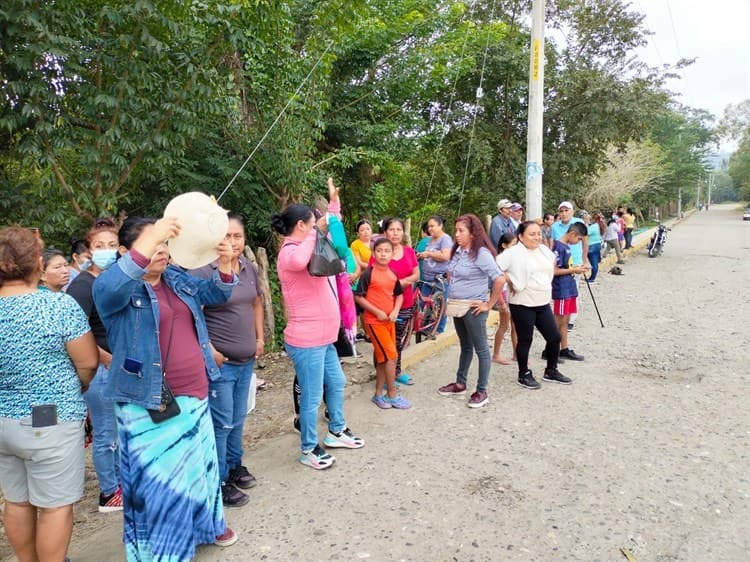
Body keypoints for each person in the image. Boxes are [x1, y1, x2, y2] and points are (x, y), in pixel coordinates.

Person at [93, 216, 240, 559]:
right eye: (152, 243)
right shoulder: (114, 289)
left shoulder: (175, 278)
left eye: (164, 243)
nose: (161, 250)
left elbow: (215, 292)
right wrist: (157, 232)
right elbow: (113, 287)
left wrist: (225, 262)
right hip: (148, 403)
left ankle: (206, 526)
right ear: (128, 252)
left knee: (198, 469)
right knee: (162, 483)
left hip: (196, 391)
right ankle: (167, 551)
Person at [0, 226, 99, 562]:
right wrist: (79, 384)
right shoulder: (58, 306)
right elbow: (87, 363)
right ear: (37, 263)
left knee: (16, 500)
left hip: (4, 422)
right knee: (55, 506)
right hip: (51, 419)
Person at [273, 204, 365, 470]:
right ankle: (309, 448)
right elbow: (301, 260)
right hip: (306, 339)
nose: (316, 227)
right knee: (312, 397)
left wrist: (333, 209)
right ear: (302, 225)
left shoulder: (309, 244)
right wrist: (317, 229)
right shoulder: (289, 252)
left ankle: (336, 431)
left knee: (337, 382)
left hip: (324, 337)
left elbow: (334, 243)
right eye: (312, 223)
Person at [190, 215, 264, 508]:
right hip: (221, 364)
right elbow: (192, 315)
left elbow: (256, 302)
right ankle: (218, 482)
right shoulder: (201, 272)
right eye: (227, 236)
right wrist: (208, 350)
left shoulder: (249, 268)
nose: (233, 242)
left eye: (238, 236)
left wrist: (259, 338)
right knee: (221, 424)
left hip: (246, 360)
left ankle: (234, 466)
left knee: (238, 418)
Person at [66, 217, 123, 513]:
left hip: (120, 366)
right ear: (88, 250)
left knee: (119, 431)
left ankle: (121, 483)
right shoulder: (83, 286)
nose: (106, 249)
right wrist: (106, 359)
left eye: (112, 245)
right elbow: (78, 332)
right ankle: (108, 493)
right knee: (105, 433)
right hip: (100, 369)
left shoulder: (115, 279)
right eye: (100, 245)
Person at [437, 214, 505, 408]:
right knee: (465, 346)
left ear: (473, 233)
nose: (457, 234)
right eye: (456, 230)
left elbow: (499, 279)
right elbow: (451, 272)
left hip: (473, 308)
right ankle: (460, 383)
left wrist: (489, 304)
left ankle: (482, 390)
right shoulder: (458, 252)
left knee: (481, 349)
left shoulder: (481, 253)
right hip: (457, 306)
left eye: (461, 231)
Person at [496, 221, 571, 390]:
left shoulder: (544, 250)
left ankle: (551, 370)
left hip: (542, 301)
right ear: (521, 237)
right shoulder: (513, 253)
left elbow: (550, 269)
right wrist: (510, 280)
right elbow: (495, 268)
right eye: (532, 234)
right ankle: (523, 374)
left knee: (554, 337)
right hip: (522, 302)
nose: (537, 237)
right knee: (525, 339)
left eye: (538, 233)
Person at [353, 238, 409, 409]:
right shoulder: (368, 273)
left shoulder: (392, 273)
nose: (383, 254)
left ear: (392, 254)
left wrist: (395, 311)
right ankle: (392, 394)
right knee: (391, 356)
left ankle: (378, 394)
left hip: (389, 322)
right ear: (374, 253)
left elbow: (399, 294)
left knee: (384, 359)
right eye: (379, 250)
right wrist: (376, 311)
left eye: (387, 251)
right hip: (374, 322)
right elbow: (358, 296)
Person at [378, 217, 419, 385]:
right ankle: (383, 376)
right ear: (385, 232)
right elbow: (374, 277)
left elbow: (417, 274)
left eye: (398, 230)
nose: (395, 233)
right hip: (383, 305)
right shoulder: (380, 251)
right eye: (392, 230)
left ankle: (396, 371)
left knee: (398, 340)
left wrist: (401, 283)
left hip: (405, 303)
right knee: (383, 342)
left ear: (403, 232)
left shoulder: (409, 252)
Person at [549, 223, 589, 362]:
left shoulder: (566, 247)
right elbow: (553, 270)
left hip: (569, 288)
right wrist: (573, 270)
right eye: (578, 239)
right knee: (558, 320)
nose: (577, 242)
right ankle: (549, 349)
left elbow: (566, 266)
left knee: (565, 320)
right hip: (561, 288)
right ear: (572, 234)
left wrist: (575, 268)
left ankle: (564, 348)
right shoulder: (558, 247)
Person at [551, 201, 588, 330]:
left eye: (566, 210)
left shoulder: (578, 224)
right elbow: (552, 244)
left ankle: (570, 319)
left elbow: (584, 241)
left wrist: (584, 259)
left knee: (573, 291)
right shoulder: (555, 227)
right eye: (561, 211)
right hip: (562, 263)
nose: (564, 213)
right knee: (563, 297)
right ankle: (560, 327)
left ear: (572, 211)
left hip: (576, 261)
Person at [416, 215, 452, 334]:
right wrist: (422, 255)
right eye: (428, 226)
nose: (430, 229)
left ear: (440, 225)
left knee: (440, 304)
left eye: (432, 226)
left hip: (439, 278)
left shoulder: (445, 239)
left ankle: (439, 330)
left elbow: (446, 256)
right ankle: (426, 326)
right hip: (427, 278)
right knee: (423, 303)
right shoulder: (430, 240)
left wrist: (429, 254)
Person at [492, 232, 517, 365]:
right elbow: (498, 283)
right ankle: (496, 354)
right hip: (504, 296)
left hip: (513, 296)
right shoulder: (500, 260)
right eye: (513, 244)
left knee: (515, 325)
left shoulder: (514, 259)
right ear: (504, 245)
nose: (516, 247)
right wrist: (501, 301)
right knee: (504, 325)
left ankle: (516, 353)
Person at [585, 212, 605, 283]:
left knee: (593, 263)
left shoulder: (593, 227)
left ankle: (592, 278)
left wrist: (586, 225)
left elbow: (585, 232)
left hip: (591, 246)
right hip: (597, 245)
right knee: (595, 262)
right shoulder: (599, 226)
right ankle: (592, 277)